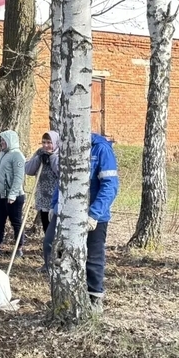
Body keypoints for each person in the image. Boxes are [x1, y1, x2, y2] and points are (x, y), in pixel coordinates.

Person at [43, 133, 119, 311]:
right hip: (66, 212)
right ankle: (61, 292)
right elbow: (62, 180)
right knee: (50, 245)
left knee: (93, 255)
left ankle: (94, 297)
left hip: (93, 215)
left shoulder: (101, 149)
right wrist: (55, 205)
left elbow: (110, 185)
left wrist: (94, 214)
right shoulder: (68, 147)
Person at [0, 130, 26, 257]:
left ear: (11, 141)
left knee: (16, 222)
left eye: (4, 140)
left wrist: (13, 194)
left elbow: (19, 177)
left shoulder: (17, 155)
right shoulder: (2, 154)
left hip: (14, 196)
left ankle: (19, 248)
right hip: (0, 196)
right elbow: (0, 173)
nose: (2, 142)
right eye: (1, 140)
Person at [24, 131, 60, 235]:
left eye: (49, 142)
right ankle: (48, 251)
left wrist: (52, 157)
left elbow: (60, 172)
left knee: (55, 232)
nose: (46, 145)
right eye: (43, 142)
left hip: (56, 200)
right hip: (43, 198)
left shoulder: (61, 154)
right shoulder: (40, 152)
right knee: (47, 230)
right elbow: (28, 170)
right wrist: (39, 159)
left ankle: (55, 251)